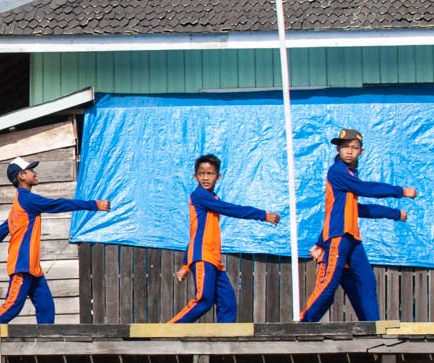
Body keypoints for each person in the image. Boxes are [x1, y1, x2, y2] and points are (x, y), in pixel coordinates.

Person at [0, 157, 109, 324]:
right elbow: (59, 204)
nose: (35, 173)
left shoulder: (20, 204)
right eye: (31, 170)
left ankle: (45, 347)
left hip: (33, 268)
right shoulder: (26, 199)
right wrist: (94, 205)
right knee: (12, 306)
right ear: (21, 176)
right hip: (22, 265)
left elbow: (0, 231)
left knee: (46, 308)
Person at [300, 128, 417, 323]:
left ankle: (372, 326)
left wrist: (394, 213)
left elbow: (359, 209)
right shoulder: (338, 172)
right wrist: (401, 191)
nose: (349, 151)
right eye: (345, 147)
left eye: (354, 148)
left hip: (352, 239)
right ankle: (304, 323)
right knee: (329, 284)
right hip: (338, 236)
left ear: (361, 152)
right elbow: (365, 188)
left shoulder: (349, 176)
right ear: (338, 149)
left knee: (366, 281)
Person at [166, 154, 281, 323]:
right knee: (204, 299)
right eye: (201, 173)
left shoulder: (212, 199)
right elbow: (231, 209)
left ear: (218, 177)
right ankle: (168, 330)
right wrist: (263, 215)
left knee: (227, 302)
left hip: (213, 259)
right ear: (195, 176)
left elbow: (195, 233)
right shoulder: (199, 196)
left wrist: (185, 264)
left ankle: (223, 341)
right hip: (204, 256)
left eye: (210, 173)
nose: (205, 177)